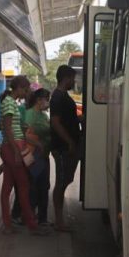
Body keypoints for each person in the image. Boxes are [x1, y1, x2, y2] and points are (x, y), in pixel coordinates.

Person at [0, 76, 43, 235]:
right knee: (24, 185)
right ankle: (31, 224)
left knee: (8, 186)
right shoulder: (9, 103)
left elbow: (13, 128)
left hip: (13, 146)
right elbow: (8, 129)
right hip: (13, 147)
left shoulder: (11, 103)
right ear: (19, 88)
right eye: (26, 90)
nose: (27, 93)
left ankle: (8, 224)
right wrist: (16, 151)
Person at [50, 66, 81, 232]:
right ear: (66, 78)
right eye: (72, 78)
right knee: (61, 182)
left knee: (66, 179)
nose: (74, 81)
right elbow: (55, 122)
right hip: (62, 148)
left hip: (68, 146)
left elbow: (69, 119)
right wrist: (69, 141)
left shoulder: (63, 96)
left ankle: (59, 219)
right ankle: (59, 220)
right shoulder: (57, 97)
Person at [24, 88, 52, 226]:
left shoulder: (44, 115)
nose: (48, 102)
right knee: (33, 186)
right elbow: (26, 134)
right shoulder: (30, 115)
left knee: (44, 186)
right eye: (47, 99)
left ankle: (42, 218)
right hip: (34, 155)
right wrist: (39, 144)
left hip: (44, 156)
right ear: (39, 100)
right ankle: (31, 217)